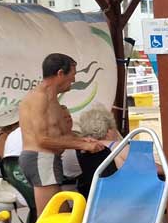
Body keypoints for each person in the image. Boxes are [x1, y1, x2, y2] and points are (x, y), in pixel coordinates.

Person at [18, 53, 107, 214]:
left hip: (47, 160)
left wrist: (81, 139)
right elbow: (43, 140)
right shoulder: (39, 98)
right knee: (50, 219)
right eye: (72, 75)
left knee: (62, 216)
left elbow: (58, 134)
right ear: (60, 73)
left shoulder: (52, 99)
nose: (73, 81)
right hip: (40, 158)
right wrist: (82, 144)